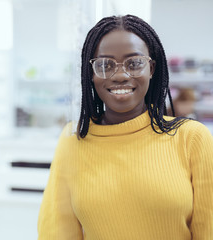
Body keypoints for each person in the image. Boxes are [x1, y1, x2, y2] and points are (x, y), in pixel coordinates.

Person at [37, 14, 213, 239]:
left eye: (134, 63)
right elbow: (57, 231)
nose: (120, 75)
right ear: (91, 73)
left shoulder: (191, 137)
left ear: (151, 68)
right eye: (105, 65)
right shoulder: (74, 138)